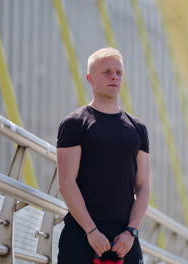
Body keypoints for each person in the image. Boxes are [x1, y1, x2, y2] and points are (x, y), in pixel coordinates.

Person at [56, 47, 150, 263]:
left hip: (124, 240)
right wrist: (91, 231)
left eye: (118, 73)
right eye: (107, 72)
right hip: (81, 234)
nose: (114, 77)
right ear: (90, 78)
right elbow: (66, 182)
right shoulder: (75, 123)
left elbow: (143, 186)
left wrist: (131, 232)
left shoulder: (138, 128)